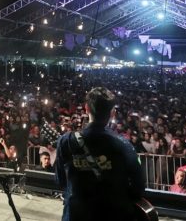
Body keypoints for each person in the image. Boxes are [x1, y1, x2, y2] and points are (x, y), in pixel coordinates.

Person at [55, 87, 144, 221]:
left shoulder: (66, 141)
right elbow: (138, 186)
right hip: (111, 214)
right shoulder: (123, 145)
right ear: (112, 113)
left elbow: (60, 181)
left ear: (86, 108)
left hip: (75, 215)